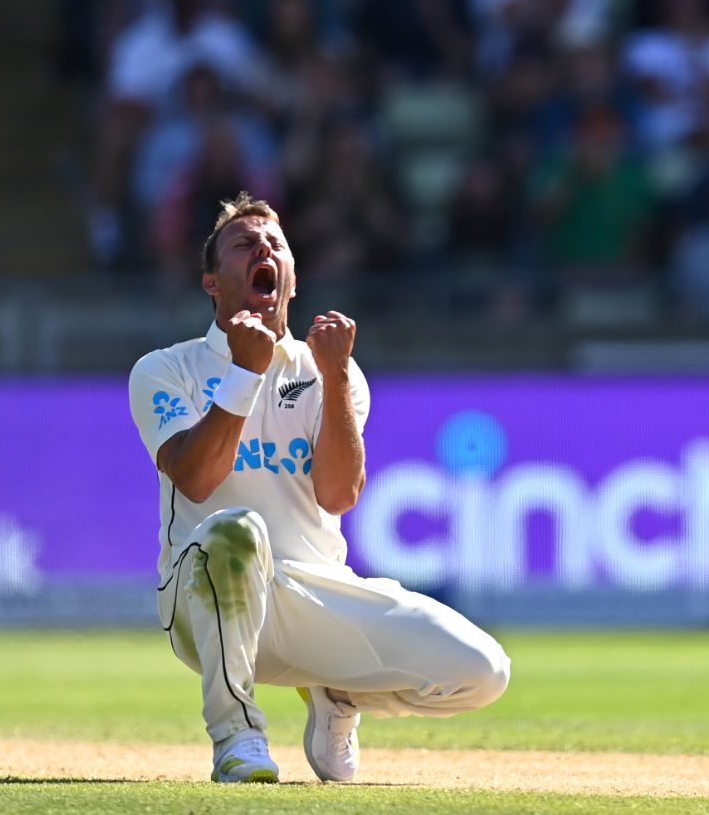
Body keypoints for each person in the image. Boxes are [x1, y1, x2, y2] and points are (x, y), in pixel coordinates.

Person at [127, 193, 510, 783]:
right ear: (212, 282)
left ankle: (339, 696)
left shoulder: (331, 370)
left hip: (315, 594)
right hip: (202, 602)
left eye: (275, 244)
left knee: (485, 670)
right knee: (235, 531)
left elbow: (338, 494)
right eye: (244, 244)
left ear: (292, 280)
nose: (263, 249)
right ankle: (237, 737)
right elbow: (198, 479)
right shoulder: (165, 370)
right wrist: (247, 371)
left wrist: (332, 377)